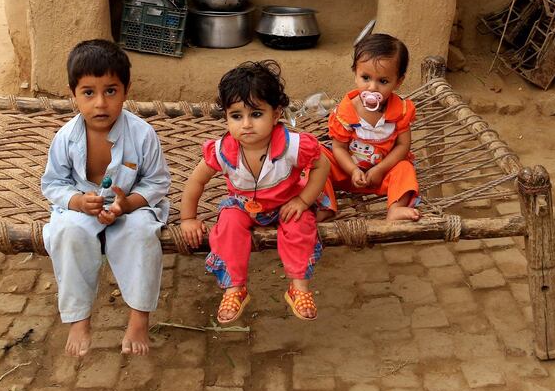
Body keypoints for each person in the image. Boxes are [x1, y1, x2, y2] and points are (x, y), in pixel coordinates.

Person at [41, 39, 171, 357]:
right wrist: (76, 201)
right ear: (73, 95)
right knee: (67, 233)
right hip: (82, 209)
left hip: (131, 208)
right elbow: (54, 183)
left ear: (126, 91)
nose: (100, 103)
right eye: (88, 92)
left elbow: (156, 182)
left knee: (141, 234)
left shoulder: (142, 134)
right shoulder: (66, 138)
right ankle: (79, 320)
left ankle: (139, 318)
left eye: (110, 91)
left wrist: (127, 204)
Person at [180, 60, 332, 323]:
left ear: (276, 114)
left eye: (256, 114)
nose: (246, 124)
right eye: (236, 116)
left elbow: (323, 164)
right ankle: (234, 287)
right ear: (226, 117)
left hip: (286, 202)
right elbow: (196, 181)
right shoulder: (223, 150)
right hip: (242, 205)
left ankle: (299, 286)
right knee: (227, 224)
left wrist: (303, 199)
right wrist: (187, 218)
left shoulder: (291, 145)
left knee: (300, 226)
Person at [318, 33, 421, 222]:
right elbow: (339, 148)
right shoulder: (345, 112)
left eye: (383, 81)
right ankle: (325, 206)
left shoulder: (401, 111)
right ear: (355, 74)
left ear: (398, 81)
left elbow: (403, 146)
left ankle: (396, 208)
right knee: (318, 160)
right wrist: (352, 170)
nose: (372, 88)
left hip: (382, 173)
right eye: (365, 78)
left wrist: (380, 169)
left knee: (405, 168)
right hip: (346, 172)